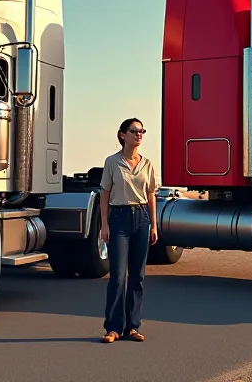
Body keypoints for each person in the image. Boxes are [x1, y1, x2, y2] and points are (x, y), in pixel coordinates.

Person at [98, 117, 159, 344]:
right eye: (134, 131)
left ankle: (133, 327)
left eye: (142, 131)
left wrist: (154, 224)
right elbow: (105, 194)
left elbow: (151, 195)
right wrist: (104, 225)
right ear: (123, 135)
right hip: (119, 218)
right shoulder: (112, 162)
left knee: (138, 276)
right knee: (117, 276)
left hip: (142, 218)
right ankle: (113, 328)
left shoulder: (148, 164)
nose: (139, 135)